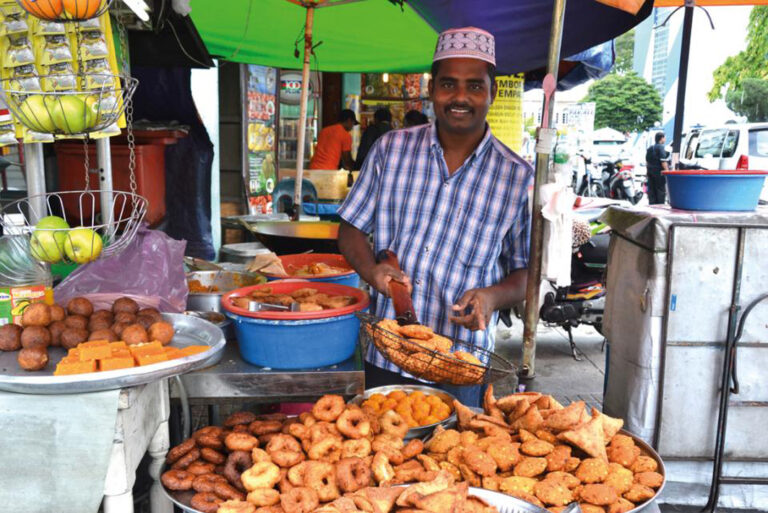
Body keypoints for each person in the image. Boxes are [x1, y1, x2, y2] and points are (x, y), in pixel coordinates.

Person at [337, 27, 533, 407]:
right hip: (388, 355)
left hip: (461, 365)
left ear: (491, 93)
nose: (460, 97)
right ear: (432, 91)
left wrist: (492, 296)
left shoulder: (517, 178)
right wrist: (372, 272)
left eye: (475, 86)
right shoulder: (390, 151)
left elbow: (526, 273)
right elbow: (350, 231)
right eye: (448, 84)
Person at [646, 132, 670, 204]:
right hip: (658, 172)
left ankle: (652, 205)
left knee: (651, 190)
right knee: (660, 190)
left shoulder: (650, 148)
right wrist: (667, 171)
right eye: (664, 137)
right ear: (661, 138)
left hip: (650, 171)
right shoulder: (661, 147)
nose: (665, 139)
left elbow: (647, 161)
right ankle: (660, 205)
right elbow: (663, 161)